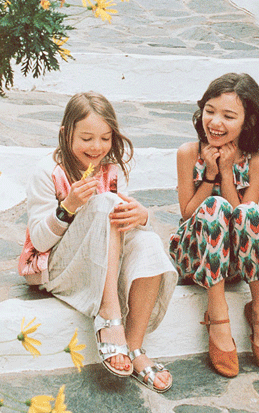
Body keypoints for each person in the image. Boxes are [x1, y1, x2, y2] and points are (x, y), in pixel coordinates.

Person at [19, 92, 177, 393]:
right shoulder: (47, 171)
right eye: (86, 138)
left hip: (99, 262)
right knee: (106, 202)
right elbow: (39, 241)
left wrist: (142, 216)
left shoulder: (112, 169)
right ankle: (108, 314)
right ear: (66, 133)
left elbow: (121, 228)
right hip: (57, 267)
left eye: (105, 138)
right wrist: (67, 207)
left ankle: (133, 346)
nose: (96, 147)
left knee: (147, 240)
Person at [169, 73, 259, 378]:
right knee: (214, 206)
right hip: (196, 255)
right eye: (210, 111)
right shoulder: (188, 153)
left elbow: (241, 215)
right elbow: (188, 214)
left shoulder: (258, 162)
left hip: (236, 261)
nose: (216, 122)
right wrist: (210, 174)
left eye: (229, 116)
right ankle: (218, 317)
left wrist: (227, 172)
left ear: (248, 121)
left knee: (250, 212)